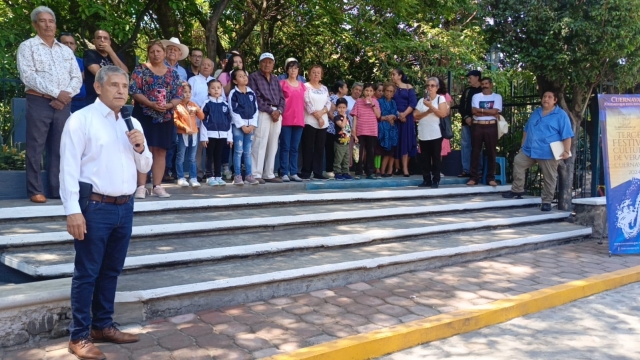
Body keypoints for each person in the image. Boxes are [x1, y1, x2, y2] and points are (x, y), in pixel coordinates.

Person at [60, 65, 150, 360]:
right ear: (98, 88)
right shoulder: (80, 120)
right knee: (87, 273)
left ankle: (103, 325)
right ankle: (80, 335)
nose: (121, 91)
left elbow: (145, 166)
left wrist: (139, 148)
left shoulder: (132, 122)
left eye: (124, 86)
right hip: (94, 208)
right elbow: (68, 170)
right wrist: (73, 210)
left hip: (125, 207)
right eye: (114, 85)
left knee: (111, 270)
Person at [17, 6, 82, 203]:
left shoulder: (65, 51)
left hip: (64, 104)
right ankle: (35, 190)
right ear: (35, 24)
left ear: (55, 24)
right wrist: (57, 93)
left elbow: (76, 77)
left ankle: (57, 189)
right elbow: (28, 75)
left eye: (51, 21)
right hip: (38, 101)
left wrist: (66, 96)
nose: (48, 25)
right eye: (43, 21)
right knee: (36, 146)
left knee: (61, 147)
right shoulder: (27, 47)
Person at [129, 40, 183, 199]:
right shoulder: (140, 69)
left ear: (164, 53)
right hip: (143, 114)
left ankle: (157, 186)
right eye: (152, 51)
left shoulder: (172, 73)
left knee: (160, 151)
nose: (155, 54)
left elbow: (179, 94)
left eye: (159, 51)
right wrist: (150, 103)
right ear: (148, 53)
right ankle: (140, 186)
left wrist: (169, 105)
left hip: (165, 116)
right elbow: (134, 90)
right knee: (142, 149)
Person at [503, 91, 573, 211]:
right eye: (544, 96)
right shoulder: (536, 112)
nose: (546, 99)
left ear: (555, 100)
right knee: (518, 161)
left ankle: (546, 201)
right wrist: (523, 145)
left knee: (549, 177)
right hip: (529, 150)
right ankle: (517, 190)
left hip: (548, 152)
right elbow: (526, 129)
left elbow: (567, 135)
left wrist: (566, 151)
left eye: (550, 97)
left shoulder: (561, 115)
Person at [249, 52, 286, 183]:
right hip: (263, 112)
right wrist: (271, 111)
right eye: (264, 61)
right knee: (259, 142)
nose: (267, 64)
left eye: (270, 62)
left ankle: (269, 173)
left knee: (273, 143)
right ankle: (256, 174)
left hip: (277, 113)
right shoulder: (253, 77)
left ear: (273, 65)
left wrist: (279, 111)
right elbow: (255, 97)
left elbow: (282, 98)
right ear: (260, 63)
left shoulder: (276, 79)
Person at [160, 37, 189, 182]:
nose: (172, 51)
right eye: (170, 49)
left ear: (179, 54)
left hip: (178, 109)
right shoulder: (159, 65)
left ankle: (169, 170)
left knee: (174, 140)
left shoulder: (183, 71)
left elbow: (185, 91)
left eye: (175, 50)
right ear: (165, 52)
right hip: (160, 107)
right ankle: (158, 171)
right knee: (160, 139)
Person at [414, 77, 449, 188]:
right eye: (428, 85)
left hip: (436, 133)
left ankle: (436, 180)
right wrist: (428, 111)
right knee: (424, 158)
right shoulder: (421, 101)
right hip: (423, 133)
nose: (429, 88)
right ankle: (426, 180)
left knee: (436, 158)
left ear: (437, 88)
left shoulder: (440, 99)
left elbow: (442, 114)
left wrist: (430, 107)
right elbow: (415, 115)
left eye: (432, 85)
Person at [468, 77, 502, 186]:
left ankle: (490, 178)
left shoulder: (497, 97)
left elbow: (495, 111)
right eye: (482, 84)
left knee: (491, 152)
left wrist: (481, 111)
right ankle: (474, 177)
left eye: (486, 83)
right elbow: (474, 112)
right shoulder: (476, 96)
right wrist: (490, 112)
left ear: (491, 85)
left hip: (491, 126)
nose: (484, 86)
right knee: (475, 152)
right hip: (477, 126)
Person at [188, 57, 218, 181]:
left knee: (212, 148)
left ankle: (210, 173)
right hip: (197, 119)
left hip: (213, 121)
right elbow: (190, 97)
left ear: (212, 68)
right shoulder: (192, 80)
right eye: (203, 64)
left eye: (209, 65)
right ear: (199, 67)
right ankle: (198, 173)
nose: (206, 67)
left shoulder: (215, 81)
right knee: (197, 148)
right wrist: (201, 108)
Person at [300, 65, 332, 180]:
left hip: (323, 122)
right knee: (308, 147)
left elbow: (328, 103)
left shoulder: (324, 88)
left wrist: (323, 112)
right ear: (309, 74)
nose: (316, 74)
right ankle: (306, 172)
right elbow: (306, 102)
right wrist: (318, 117)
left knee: (319, 147)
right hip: (310, 121)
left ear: (321, 75)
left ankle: (318, 172)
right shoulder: (305, 86)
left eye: (318, 73)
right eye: (313, 72)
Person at [229, 69, 259, 185]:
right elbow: (233, 110)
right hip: (238, 127)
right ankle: (237, 175)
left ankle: (249, 175)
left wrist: (252, 124)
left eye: (245, 75)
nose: (244, 77)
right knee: (238, 151)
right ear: (235, 81)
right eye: (240, 76)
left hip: (250, 126)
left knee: (248, 151)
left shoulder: (251, 93)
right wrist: (242, 125)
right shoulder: (233, 93)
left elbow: (255, 109)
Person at [83, 30, 128, 107]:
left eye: (105, 38)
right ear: (94, 41)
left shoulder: (117, 56)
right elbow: (98, 73)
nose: (102, 40)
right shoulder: (90, 54)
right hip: (95, 100)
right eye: (99, 38)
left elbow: (125, 73)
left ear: (110, 42)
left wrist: (111, 52)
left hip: (115, 99)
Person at [201, 79, 233, 186]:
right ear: (208, 90)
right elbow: (203, 120)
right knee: (210, 156)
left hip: (223, 135)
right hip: (210, 134)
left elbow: (228, 121)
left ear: (221, 90)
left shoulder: (225, 104)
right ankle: (210, 176)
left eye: (218, 88)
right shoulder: (207, 103)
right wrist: (204, 137)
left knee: (218, 156)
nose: (216, 90)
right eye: (213, 88)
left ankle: (218, 176)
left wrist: (229, 137)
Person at [279, 60, 306, 182]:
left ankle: (294, 172)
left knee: (295, 147)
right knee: (285, 146)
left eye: (295, 68)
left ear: (298, 70)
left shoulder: (302, 86)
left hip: (299, 119)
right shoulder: (282, 84)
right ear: (287, 70)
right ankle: (284, 172)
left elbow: (307, 103)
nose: (293, 70)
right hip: (286, 118)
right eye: (291, 68)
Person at [174, 83, 204, 187]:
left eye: (189, 92)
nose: (187, 94)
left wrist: (197, 110)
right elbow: (175, 120)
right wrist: (184, 128)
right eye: (184, 92)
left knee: (192, 157)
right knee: (181, 156)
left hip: (194, 134)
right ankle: (181, 177)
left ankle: (193, 178)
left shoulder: (193, 104)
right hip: (183, 134)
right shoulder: (177, 105)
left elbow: (202, 117)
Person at [351, 83, 381, 180]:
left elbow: (378, 115)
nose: (368, 93)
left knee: (371, 151)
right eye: (367, 90)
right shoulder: (359, 102)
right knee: (359, 151)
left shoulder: (376, 102)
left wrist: (372, 104)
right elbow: (355, 116)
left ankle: (370, 172)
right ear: (364, 91)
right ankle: (358, 171)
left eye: (371, 91)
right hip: (360, 129)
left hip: (372, 130)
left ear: (373, 92)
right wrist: (354, 129)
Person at [391, 68, 417, 177]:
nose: (392, 76)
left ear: (400, 75)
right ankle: (397, 168)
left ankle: (405, 168)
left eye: (393, 74)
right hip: (396, 118)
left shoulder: (408, 87)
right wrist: (398, 115)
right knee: (396, 142)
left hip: (407, 118)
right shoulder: (392, 88)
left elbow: (413, 102)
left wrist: (404, 114)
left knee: (407, 141)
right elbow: (390, 102)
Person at [458, 70, 483, 177]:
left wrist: (474, 118)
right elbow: (461, 107)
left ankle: (478, 170)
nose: (469, 80)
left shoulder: (483, 91)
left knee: (478, 146)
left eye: (470, 78)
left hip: (479, 122)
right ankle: (466, 169)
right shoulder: (467, 91)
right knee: (465, 145)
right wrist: (467, 117)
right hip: (466, 122)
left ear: (477, 77)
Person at [327, 80, 351, 178]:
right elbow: (330, 112)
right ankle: (332, 171)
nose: (347, 89)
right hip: (332, 129)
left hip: (343, 133)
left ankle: (344, 171)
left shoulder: (343, 99)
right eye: (345, 87)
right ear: (340, 89)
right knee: (333, 151)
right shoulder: (333, 98)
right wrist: (338, 122)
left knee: (344, 155)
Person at [58, 32, 86, 113]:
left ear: (75, 46)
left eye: (71, 43)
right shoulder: (54, 62)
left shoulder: (83, 62)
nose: (69, 46)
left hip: (83, 102)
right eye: (65, 43)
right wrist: (81, 76)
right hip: (63, 102)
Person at [378, 82, 398, 177]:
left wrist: (393, 116)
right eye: (387, 91)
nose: (389, 93)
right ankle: (380, 171)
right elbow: (378, 115)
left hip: (392, 128)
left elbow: (395, 114)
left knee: (391, 150)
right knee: (382, 150)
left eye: (391, 91)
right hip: (382, 127)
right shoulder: (379, 101)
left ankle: (387, 170)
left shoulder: (394, 102)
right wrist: (387, 117)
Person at [332, 98, 353, 181]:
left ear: (346, 108)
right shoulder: (337, 117)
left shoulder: (347, 118)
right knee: (339, 158)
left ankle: (345, 172)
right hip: (339, 142)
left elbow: (348, 128)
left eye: (344, 107)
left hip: (346, 142)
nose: (342, 109)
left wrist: (353, 137)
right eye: (340, 107)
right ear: (337, 108)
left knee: (346, 158)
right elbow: (342, 126)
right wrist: (344, 117)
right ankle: (337, 172)